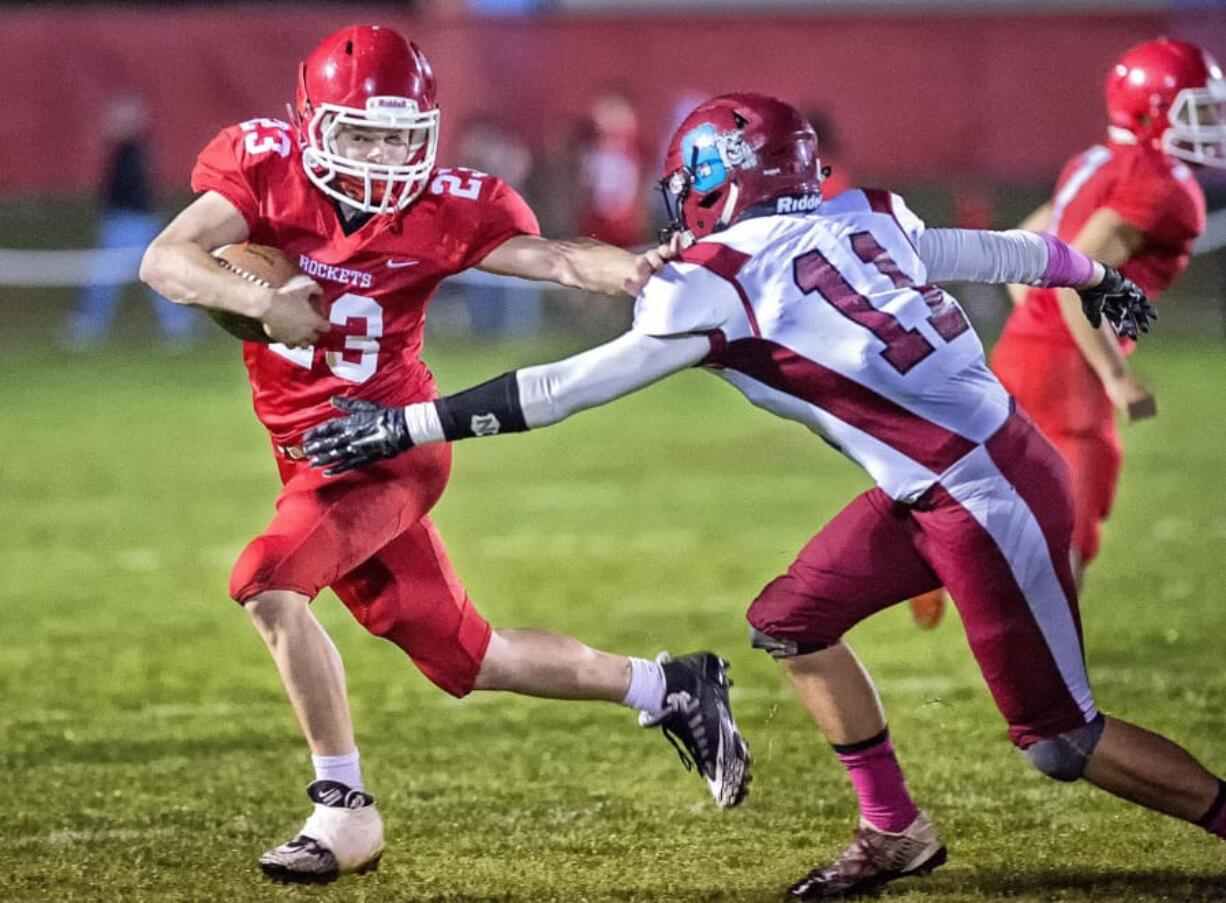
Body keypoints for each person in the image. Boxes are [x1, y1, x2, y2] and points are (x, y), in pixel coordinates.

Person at [304, 93, 1226, 900]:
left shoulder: (722, 283)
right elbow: (992, 248)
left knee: (1061, 741)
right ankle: (896, 830)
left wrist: (404, 425)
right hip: (941, 480)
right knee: (793, 619)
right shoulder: (868, 213)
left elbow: (561, 390)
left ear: (713, 177)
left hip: (985, 495)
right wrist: (1094, 274)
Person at [138, 25, 750, 885]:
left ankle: (342, 809)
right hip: (309, 451)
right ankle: (670, 685)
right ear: (314, 124)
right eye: (364, 133)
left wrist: (630, 270)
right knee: (472, 657)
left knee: (268, 584)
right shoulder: (264, 165)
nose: (386, 154)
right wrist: (262, 300)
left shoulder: (445, 204)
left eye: (400, 134)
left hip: (390, 448)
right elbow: (166, 258)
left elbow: (558, 256)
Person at [991, 38, 1222, 591]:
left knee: (1025, 504)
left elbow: (1026, 244)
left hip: (1021, 351)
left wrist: (1036, 323)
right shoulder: (1162, 183)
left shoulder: (1094, 160)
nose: (1211, 121)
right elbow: (1077, 280)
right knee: (1071, 525)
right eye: (1199, 108)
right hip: (1069, 371)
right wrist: (1115, 378)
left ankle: (942, 553)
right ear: (1152, 109)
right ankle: (1043, 663)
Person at [69, 96, 196, 348]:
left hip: (131, 222)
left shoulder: (132, 151)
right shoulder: (129, 150)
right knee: (149, 275)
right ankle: (178, 324)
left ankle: (88, 326)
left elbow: (129, 189)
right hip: (132, 220)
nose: (111, 123)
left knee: (110, 276)